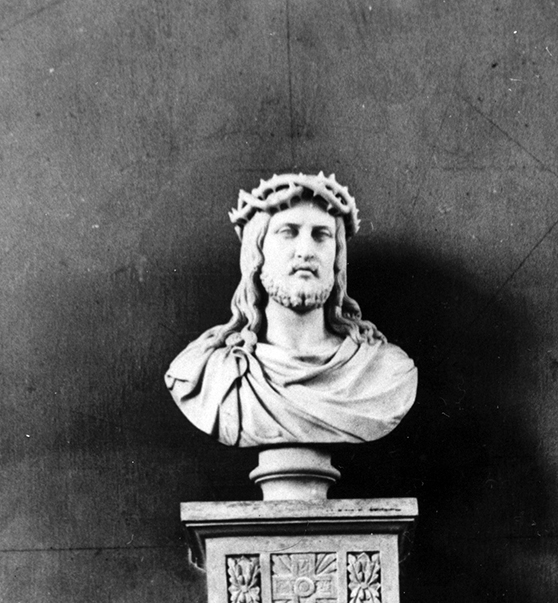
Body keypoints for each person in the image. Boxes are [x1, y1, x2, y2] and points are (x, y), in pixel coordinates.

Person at [165, 170, 417, 446]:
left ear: (337, 257)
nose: (305, 250)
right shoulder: (209, 371)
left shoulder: (385, 372)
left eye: (321, 235)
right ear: (256, 253)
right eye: (288, 232)